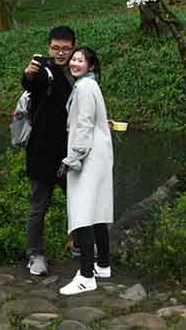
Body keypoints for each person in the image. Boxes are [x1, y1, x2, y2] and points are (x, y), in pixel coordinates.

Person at [59, 46, 114, 296]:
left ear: (90, 66)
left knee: (82, 213)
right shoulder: (90, 85)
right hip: (99, 154)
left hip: (88, 156)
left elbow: (83, 125)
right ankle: (103, 265)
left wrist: (73, 158)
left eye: (80, 60)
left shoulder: (83, 87)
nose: (74, 63)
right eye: (73, 59)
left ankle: (86, 276)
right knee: (97, 211)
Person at [22, 26, 77, 276]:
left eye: (65, 48)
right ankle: (35, 255)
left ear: (73, 48)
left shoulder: (78, 72)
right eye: (56, 48)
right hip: (43, 151)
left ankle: (78, 244)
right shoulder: (45, 71)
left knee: (77, 202)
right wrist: (28, 75)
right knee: (39, 206)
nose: (60, 53)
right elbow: (33, 83)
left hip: (71, 152)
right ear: (49, 47)